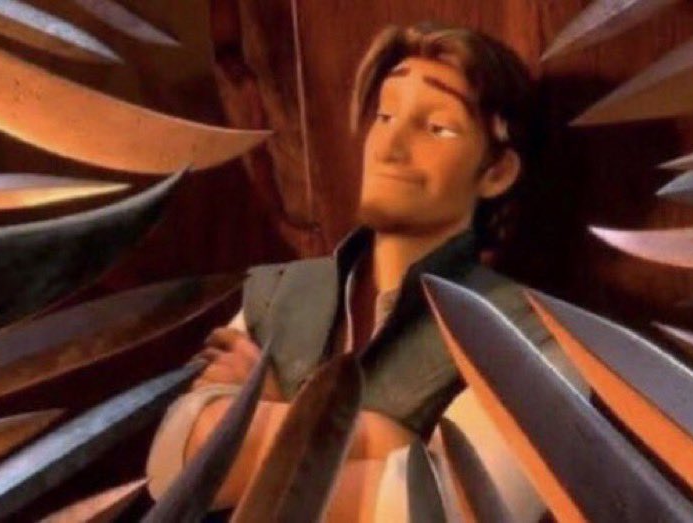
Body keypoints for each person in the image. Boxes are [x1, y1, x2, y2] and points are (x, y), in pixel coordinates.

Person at [146, 21, 586, 521]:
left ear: (497, 172)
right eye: (385, 115)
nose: (389, 146)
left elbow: (435, 511)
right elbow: (174, 458)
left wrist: (269, 412)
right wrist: (387, 440)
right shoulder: (280, 293)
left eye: (436, 127)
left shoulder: (533, 339)